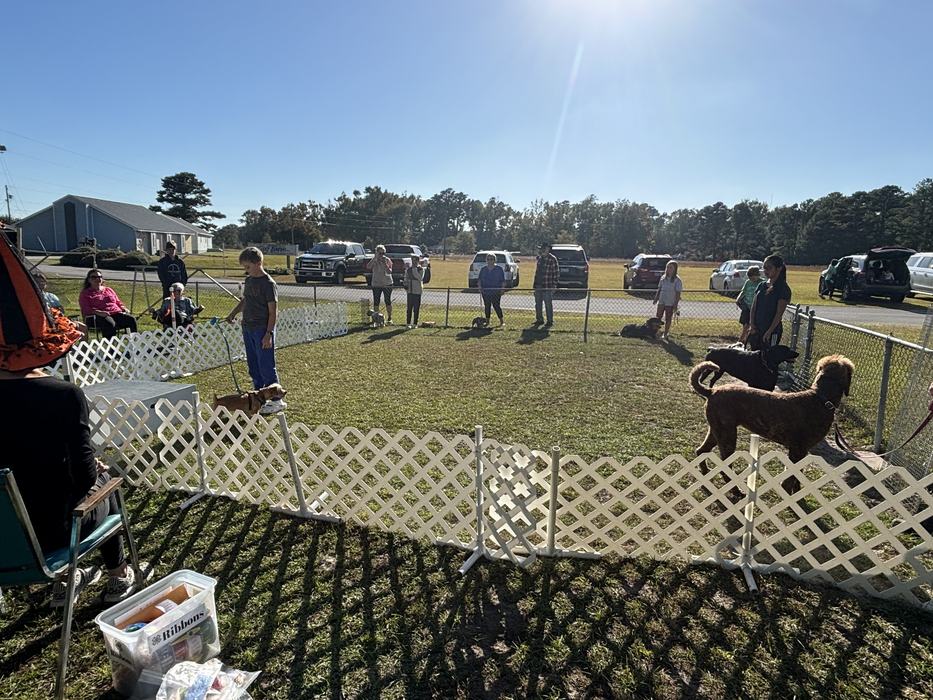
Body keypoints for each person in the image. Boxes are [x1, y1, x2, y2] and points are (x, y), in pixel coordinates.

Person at [0, 232, 141, 607]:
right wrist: (94, 467)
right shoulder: (62, 396)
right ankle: (117, 576)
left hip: (6, 542)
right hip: (57, 532)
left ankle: (66, 580)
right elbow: (84, 478)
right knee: (105, 483)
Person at [225, 247, 286, 414]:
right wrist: (233, 313)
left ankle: (276, 400)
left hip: (262, 329)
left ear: (258, 263)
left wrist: (269, 333)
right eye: (244, 268)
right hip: (248, 327)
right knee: (253, 365)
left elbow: (273, 311)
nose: (246, 271)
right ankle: (260, 396)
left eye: (248, 267)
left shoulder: (268, 284)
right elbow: (246, 300)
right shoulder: (250, 281)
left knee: (266, 365)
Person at [749, 254, 792, 351]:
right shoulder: (762, 285)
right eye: (764, 268)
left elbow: (778, 314)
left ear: (779, 268)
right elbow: (754, 307)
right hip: (756, 329)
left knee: (768, 357)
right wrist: (752, 324)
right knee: (753, 358)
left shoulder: (783, 289)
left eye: (769, 268)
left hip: (772, 331)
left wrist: (769, 332)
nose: (765, 270)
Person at [79, 269, 138, 338]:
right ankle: (110, 347)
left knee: (131, 319)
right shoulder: (85, 293)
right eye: (94, 277)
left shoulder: (108, 290)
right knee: (110, 323)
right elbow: (86, 309)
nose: (97, 279)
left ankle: (135, 343)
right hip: (97, 316)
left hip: (115, 313)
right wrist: (99, 312)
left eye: (100, 277)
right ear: (89, 280)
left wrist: (123, 307)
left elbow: (118, 302)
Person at [653, 260, 683, 341]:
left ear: (675, 269)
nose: (668, 269)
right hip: (662, 300)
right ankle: (656, 332)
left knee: (668, 318)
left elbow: (678, 293)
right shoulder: (663, 277)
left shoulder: (677, 280)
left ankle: (666, 333)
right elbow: (659, 289)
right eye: (668, 267)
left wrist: (675, 304)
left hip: (670, 302)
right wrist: (656, 298)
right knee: (658, 316)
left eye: (671, 268)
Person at [366, 244, 395, 324]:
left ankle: (389, 318)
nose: (382, 255)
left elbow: (390, 272)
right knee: (376, 301)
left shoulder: (387, 260)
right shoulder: (374, 260)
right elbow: (368, 267)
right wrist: (375, 259)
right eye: (380, 253)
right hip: (376, 283)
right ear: (376, 253)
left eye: (383, 253)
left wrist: (385, 264)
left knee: (387, 300)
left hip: (387, 283)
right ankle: (376, 318)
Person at [736, 266, 764, 346]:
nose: (751, 279)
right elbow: (743, 291)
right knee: (745, 324)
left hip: (756, 308)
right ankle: (742, 340)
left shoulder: (762, 283)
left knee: (752, 325)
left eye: (753, 277)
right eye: (750, 277)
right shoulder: (748, 282)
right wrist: (738, 299)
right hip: (747, 306)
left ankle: (743, 340)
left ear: (757, 275)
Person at [533, 242, 559, 328]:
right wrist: (535, 284)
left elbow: (556, 273)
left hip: (548, 285)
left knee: (548, 304)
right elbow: (537, 273)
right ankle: (539, 319)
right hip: (538, 285)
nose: (543, 250)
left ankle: (550, 321)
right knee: (538, 303)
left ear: (548, 249)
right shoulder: (540, 258)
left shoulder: (552, 259)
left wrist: (554, 285)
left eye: (545, 248)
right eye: (542, 248)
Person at [478, 253, 506, 328]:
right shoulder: (483, 269)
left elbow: (503, 281)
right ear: (486, 260)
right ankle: (487, 322)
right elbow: (479, 280)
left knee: (496, 306)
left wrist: (502, 289)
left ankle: (501, 321)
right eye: (488, 259)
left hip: (496, 291)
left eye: (491, 259)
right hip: (485, 292)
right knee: (487, 306)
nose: (490, 261)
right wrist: (480, 287)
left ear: (494, 260)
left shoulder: (499, 269)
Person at [403, 254, 424, 328]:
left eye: (415, 260)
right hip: (410, 291)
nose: (414, 262)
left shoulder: (420, 269)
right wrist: (405, 284)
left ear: (418, 261)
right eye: (412, 260)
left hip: (417, 291)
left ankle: (415, 323)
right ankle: (408, 323)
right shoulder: (408, 270)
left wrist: (414, 269)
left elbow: (419, 278)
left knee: (416, 308)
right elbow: (406, 277)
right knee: (409, 308)